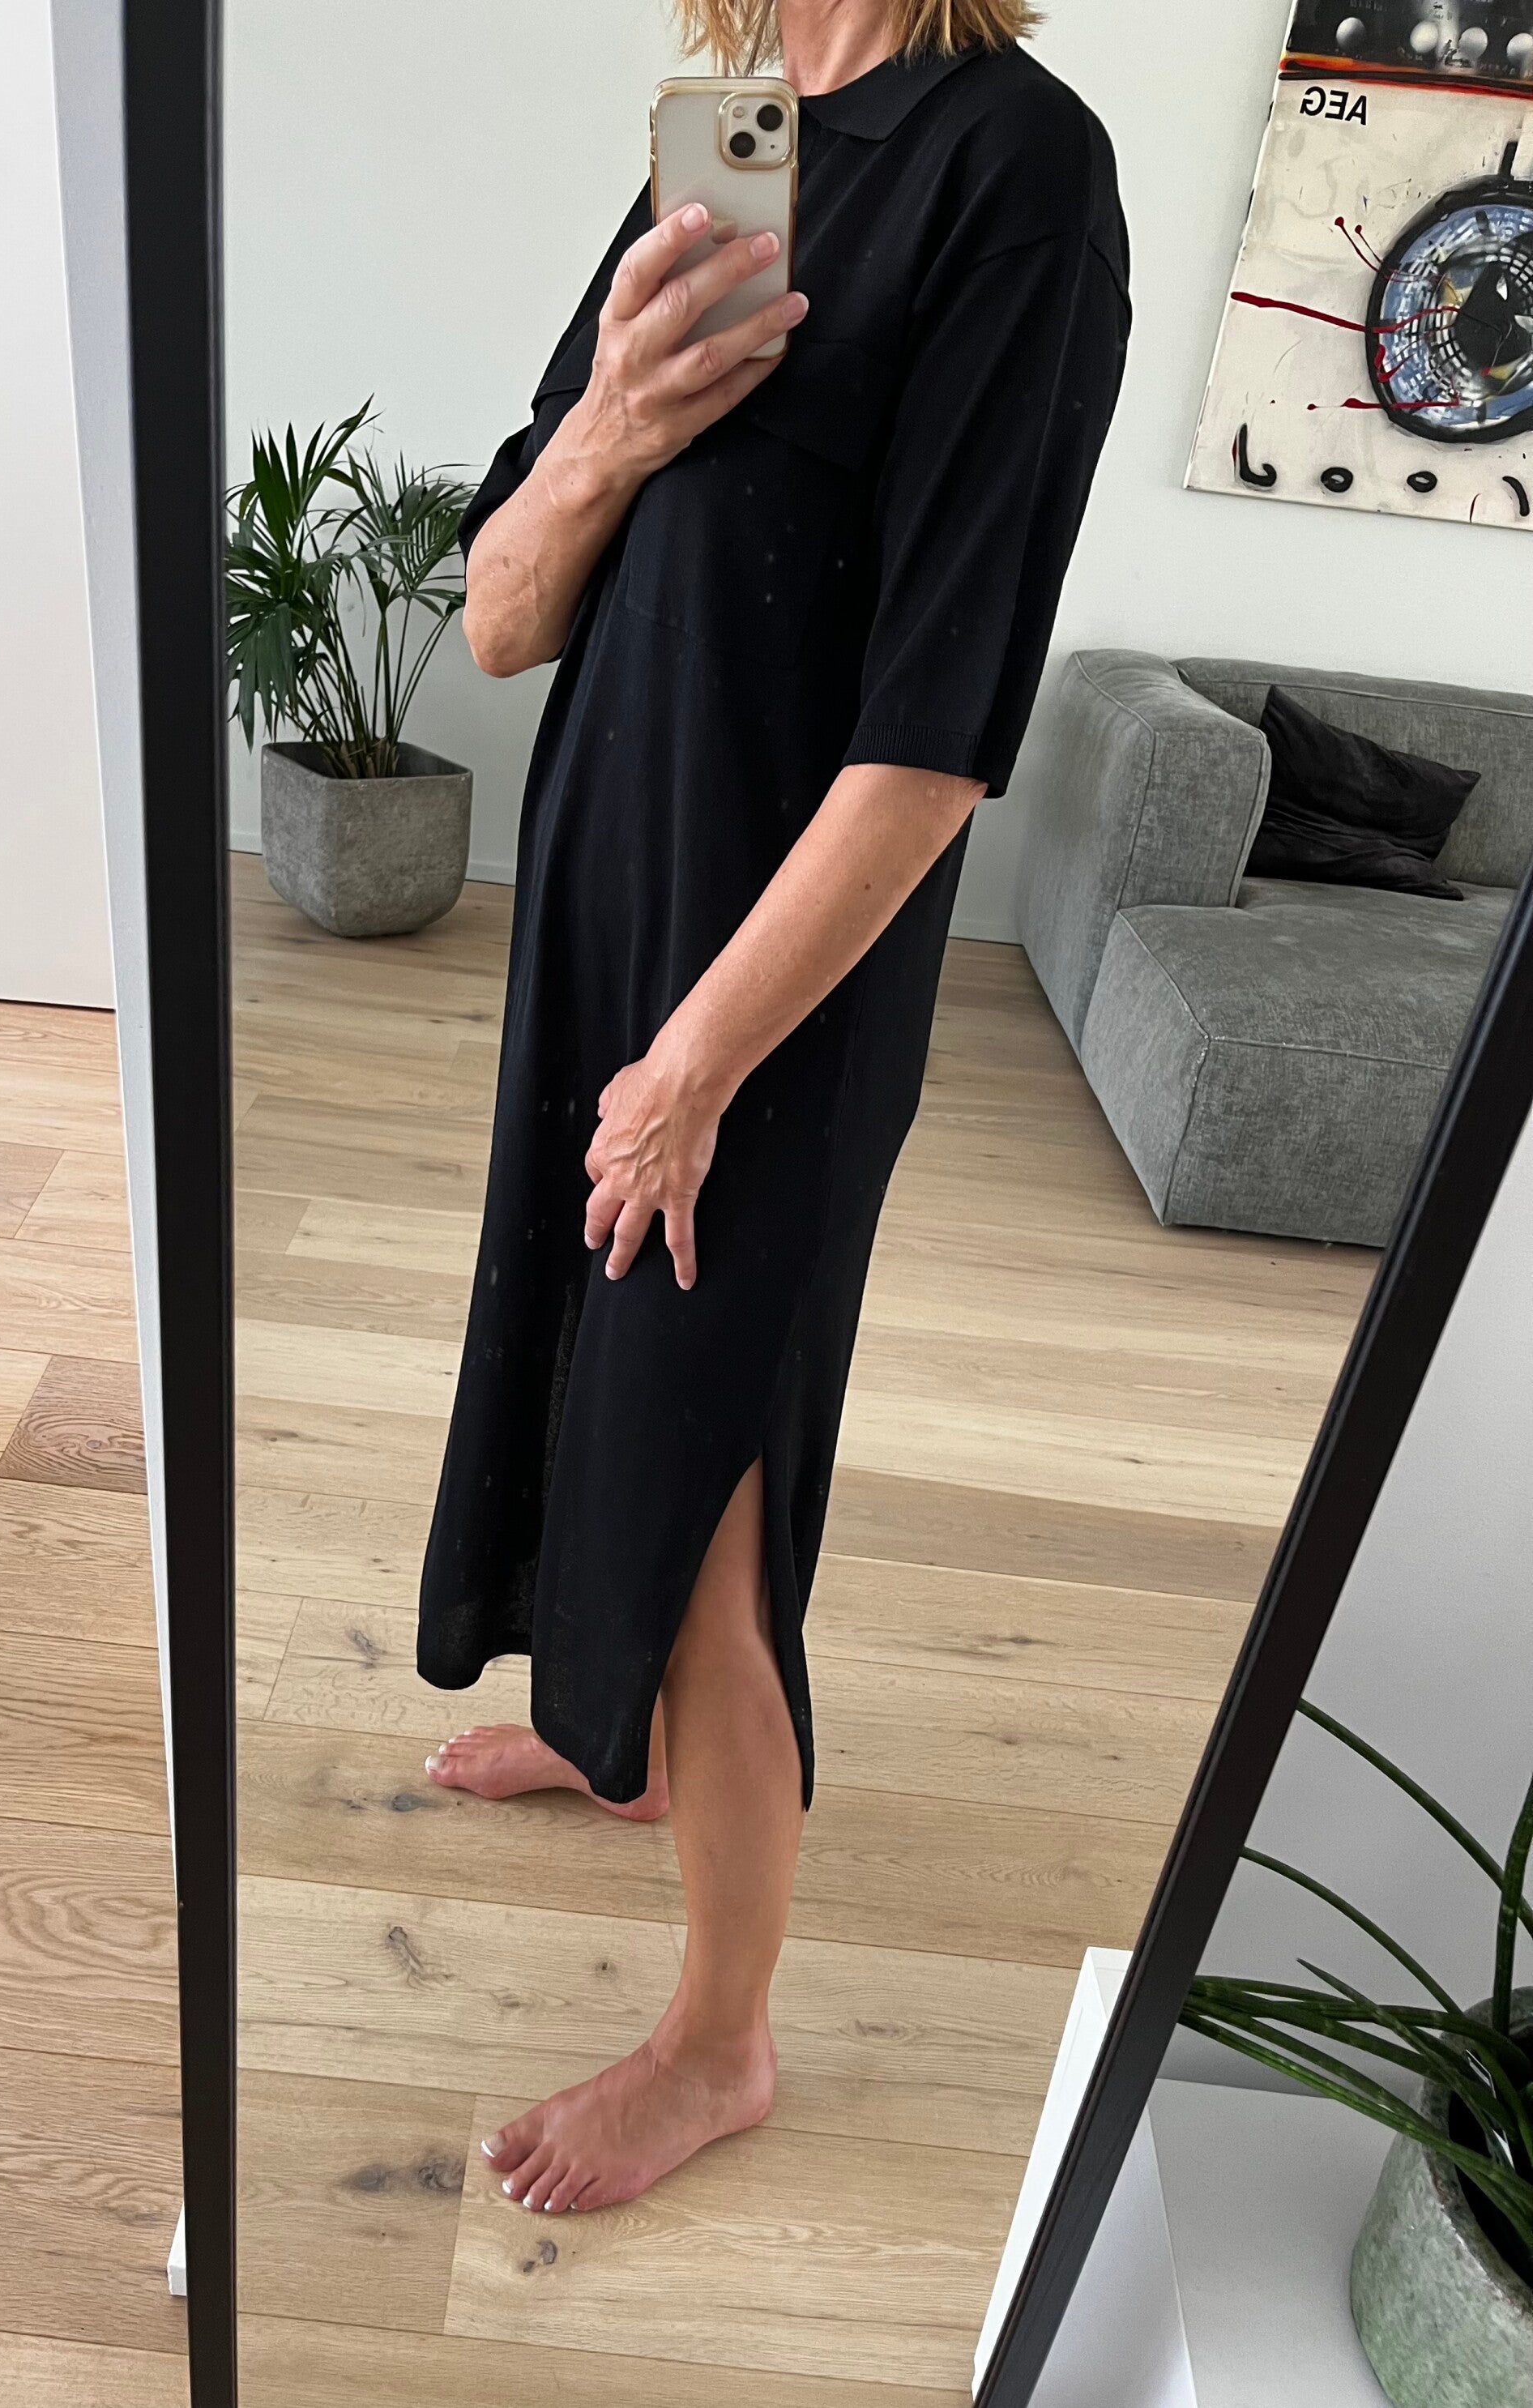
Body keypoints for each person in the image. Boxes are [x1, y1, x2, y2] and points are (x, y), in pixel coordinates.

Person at [419, 0, 1129, 2216]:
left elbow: (938, 730)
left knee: (711, 1480)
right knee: (584, 1364)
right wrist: (612, 432)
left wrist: (698, 1066)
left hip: (774, 1003)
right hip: (605, 921)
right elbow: (505, 611)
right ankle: (608, 1728)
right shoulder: (729, 144)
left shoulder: (1017, 165)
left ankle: (719, 2043)